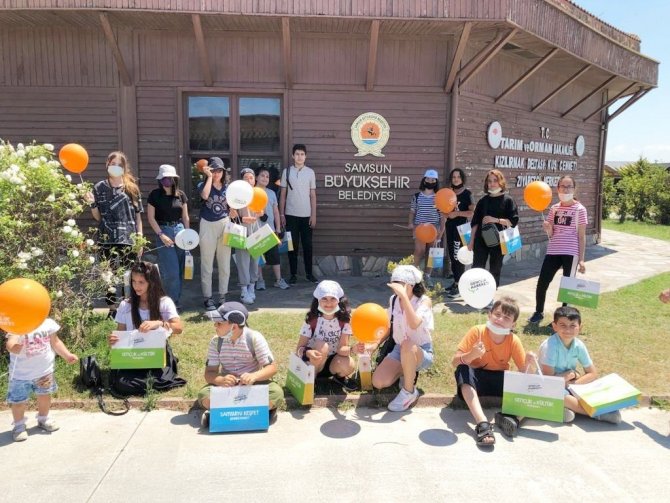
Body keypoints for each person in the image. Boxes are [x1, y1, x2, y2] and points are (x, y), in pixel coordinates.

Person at [451, 296, 534, 446]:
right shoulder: (477, 331)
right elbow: (454, 362)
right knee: (462, 369)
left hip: (499, 379)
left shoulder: (513, 340)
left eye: (506, 317)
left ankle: (512, 419)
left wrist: (529, 364)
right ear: (489, 315)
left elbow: (526, 375)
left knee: (529, 386)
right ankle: (482, 423)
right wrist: (471, 355)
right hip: (476, 380)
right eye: (497, 314)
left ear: (513, 324)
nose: (500, 319)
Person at [198, 302, 285, 428]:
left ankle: (222, 413)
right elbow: (209, 373)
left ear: (233, 327)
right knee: (204, 395)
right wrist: (220, 380)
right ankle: (257, 412)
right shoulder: (216, 342)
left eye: (219, 323)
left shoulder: (254, 338)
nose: (215, 325)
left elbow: (272, 368)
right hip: (227, 386)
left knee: (276, 392)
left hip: (252, 385)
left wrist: (254, 376)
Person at [108, 261, 184, 394]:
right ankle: (147, 383)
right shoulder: (126, 305)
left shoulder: (164, 302)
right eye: (133, 281)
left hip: (156, 352)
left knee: (161, 379)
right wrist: (114, 340)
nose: (136, 286)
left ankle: (151, 381)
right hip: (133, 353)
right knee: (121, 383)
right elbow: (121, 333)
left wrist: (159, 323)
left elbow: (179, 328)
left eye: (141, 282)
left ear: (152, 282)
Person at [367, 265, 434, 412]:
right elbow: (390, 326)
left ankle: (409, 392)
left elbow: (414, 324)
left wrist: (404, 297)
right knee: (378, 382)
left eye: (400, 284)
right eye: (394, 283)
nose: (396, 288)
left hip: (421, 350)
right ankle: (407, 371)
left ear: (411, 285)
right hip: (399, 349)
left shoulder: (424, 301)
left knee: (408, 345)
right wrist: (375, 344)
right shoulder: (393, 300)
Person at [539, 306, 621, 424]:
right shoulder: (550, 346)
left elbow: (592, 373)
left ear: (580, 328)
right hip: (546, 385)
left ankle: (561, 410)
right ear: (554, 326)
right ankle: (598, 414)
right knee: (559, 394)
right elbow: (549, 381)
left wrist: (573, 384)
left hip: (568, 383)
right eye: (563, 325)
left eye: (572, 325)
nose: (568, 330)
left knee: (593, 386)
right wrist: (568, 377)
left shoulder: (579, 345)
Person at [86, 151, 144, 318]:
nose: (116, 167)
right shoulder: (99, 187)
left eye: (120, 165)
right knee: (108, 275)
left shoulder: (132, 188)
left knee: (130, 275)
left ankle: (129, 309)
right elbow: (98, 217)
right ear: (107, 164)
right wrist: (92, 204)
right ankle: (112, 309)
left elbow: (138, 216)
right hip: (107, 238)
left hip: (128, 237)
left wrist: (139, 238)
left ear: (124, 167)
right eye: (113, 164)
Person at [5, 318, 78, 442]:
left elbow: (56, 342)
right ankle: (19, 426)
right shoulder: (18, 323)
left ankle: (43, 419)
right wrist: (13, 347)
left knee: (45, 396)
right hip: (20, 375)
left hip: (44, 372)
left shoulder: (47, 323)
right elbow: (10, 342)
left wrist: (67, 355)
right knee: (18, 402)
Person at [529, 175, 587, 324]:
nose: (565, 190)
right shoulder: (554, 208)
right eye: (563, 186)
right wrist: (548, 228)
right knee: (542, 282)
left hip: (571, 252)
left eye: (569, 187)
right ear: (558, 189)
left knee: (568, 286)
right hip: (553, 250)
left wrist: (581, 260)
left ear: (574, 189)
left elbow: (581, 236)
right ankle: (538, 312)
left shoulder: (580, 209)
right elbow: (551, 234)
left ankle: (563, 318)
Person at [295, 280, 357, 392]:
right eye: (324, 298)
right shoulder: (312, 320)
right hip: (312, 362)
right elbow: (299, 349)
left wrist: (352, 349)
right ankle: (310, 379)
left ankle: (338, 377)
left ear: (339, 300)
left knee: (349, 364)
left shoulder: (345, 320)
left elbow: (341, 349)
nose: (329, 303)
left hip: (331, 363)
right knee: (322, 345)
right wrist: (308, 353)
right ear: (318, 300)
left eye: (333, 298)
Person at [468, 169, 519, 299]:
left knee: (495, 268)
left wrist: (495, 220)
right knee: (477, 267)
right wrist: (471, 241)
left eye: (495, 180)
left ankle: (490, 296)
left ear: (501, 182)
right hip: (481, 240)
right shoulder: (483, 201)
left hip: (499, 241)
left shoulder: (508, 200)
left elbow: (513, 222)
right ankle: (475, 296)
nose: (492, 184)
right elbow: (475, 223)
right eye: (489, 181)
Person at [146, 164, 190, 309]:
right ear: (160, 179)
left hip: (180, 231)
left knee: (179, 269)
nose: (167, 180)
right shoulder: (154, 195)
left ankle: (175, 301)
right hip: (164, 231)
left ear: (174, 179)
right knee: (170, 271)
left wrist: (188, 234)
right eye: (164, 178)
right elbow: (151, 218)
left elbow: (185, 216)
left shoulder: (181, 195)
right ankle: (170, 302)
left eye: (170, 177)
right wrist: (161, 235)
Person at [279, 144, 318, 284]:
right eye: (297, 154)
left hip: (307, 215)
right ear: (292, 156)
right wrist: (282, 214)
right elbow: (283, 195)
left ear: (305, 156)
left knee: (308, 245)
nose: (299, 157)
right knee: (292, 246)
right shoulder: (286, 172)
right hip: (290, 214)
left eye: (302, 154)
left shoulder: (310, 172)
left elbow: (312, 195)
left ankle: (309, 274)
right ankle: (293, 274)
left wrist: (313, 215)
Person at [198, 157, 232, 310]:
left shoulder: (228, 188)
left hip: (224, 223)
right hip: (207, 224)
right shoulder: (203, 184)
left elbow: (233, 207)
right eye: (214, 170)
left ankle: (222, 295)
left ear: (224, 172)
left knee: (225, 263)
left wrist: (234, 211)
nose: (217, 173)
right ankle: (208, 297)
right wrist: (209, 178)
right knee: (207, 263)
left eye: (219, 170)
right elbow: (205, 196)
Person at [255, 165, 290, 290]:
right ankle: (260, 280)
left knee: (275, 257)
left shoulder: (271, 193)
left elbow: (276, 211)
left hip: (270, 230)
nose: (265, 178)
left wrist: (278, 229)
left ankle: (279, 280)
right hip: (256, 230)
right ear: (256, 177)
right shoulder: (251, 192)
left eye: (267, 176)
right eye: (262, 176)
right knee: (258, 257)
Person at [409, 169, 445, 285]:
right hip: (420, 228)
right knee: (419, 251)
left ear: (436, 181)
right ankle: (412, 276)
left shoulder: (439, 197)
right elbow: (412, 211)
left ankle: (427, 277)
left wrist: (441, 231)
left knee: (431, 253)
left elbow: (442, 216)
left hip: (434, 230)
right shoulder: (416, 196)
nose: (430, 181)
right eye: (428, 179)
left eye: (433, 179)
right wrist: (410, 223)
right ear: (424, 180)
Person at [442, 168, 474, 299]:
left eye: (458, 177)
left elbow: (471, 212)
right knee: (452, 255)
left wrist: (457, 213)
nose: (456, 179)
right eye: (454, 177)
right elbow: (444, 209)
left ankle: (459, 285)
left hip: (461, 229)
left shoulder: (467, 194)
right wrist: (445, 213)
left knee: (458, 256)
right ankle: (456, 282)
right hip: (450, 227)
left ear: (462, 179)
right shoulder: (448, 193)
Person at [231, 167, 262, 305]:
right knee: (243, 261)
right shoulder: (236, 195)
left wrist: (260, 213)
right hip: (241, 230)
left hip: (256, 229)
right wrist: (243, 218)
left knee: (255, 260)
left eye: (251, 177)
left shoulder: (258, 194)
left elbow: (262, 213)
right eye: (246, 177)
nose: (249, 180)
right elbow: (232, 215)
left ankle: (252, 287)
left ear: (254, 180)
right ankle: (244, 290)